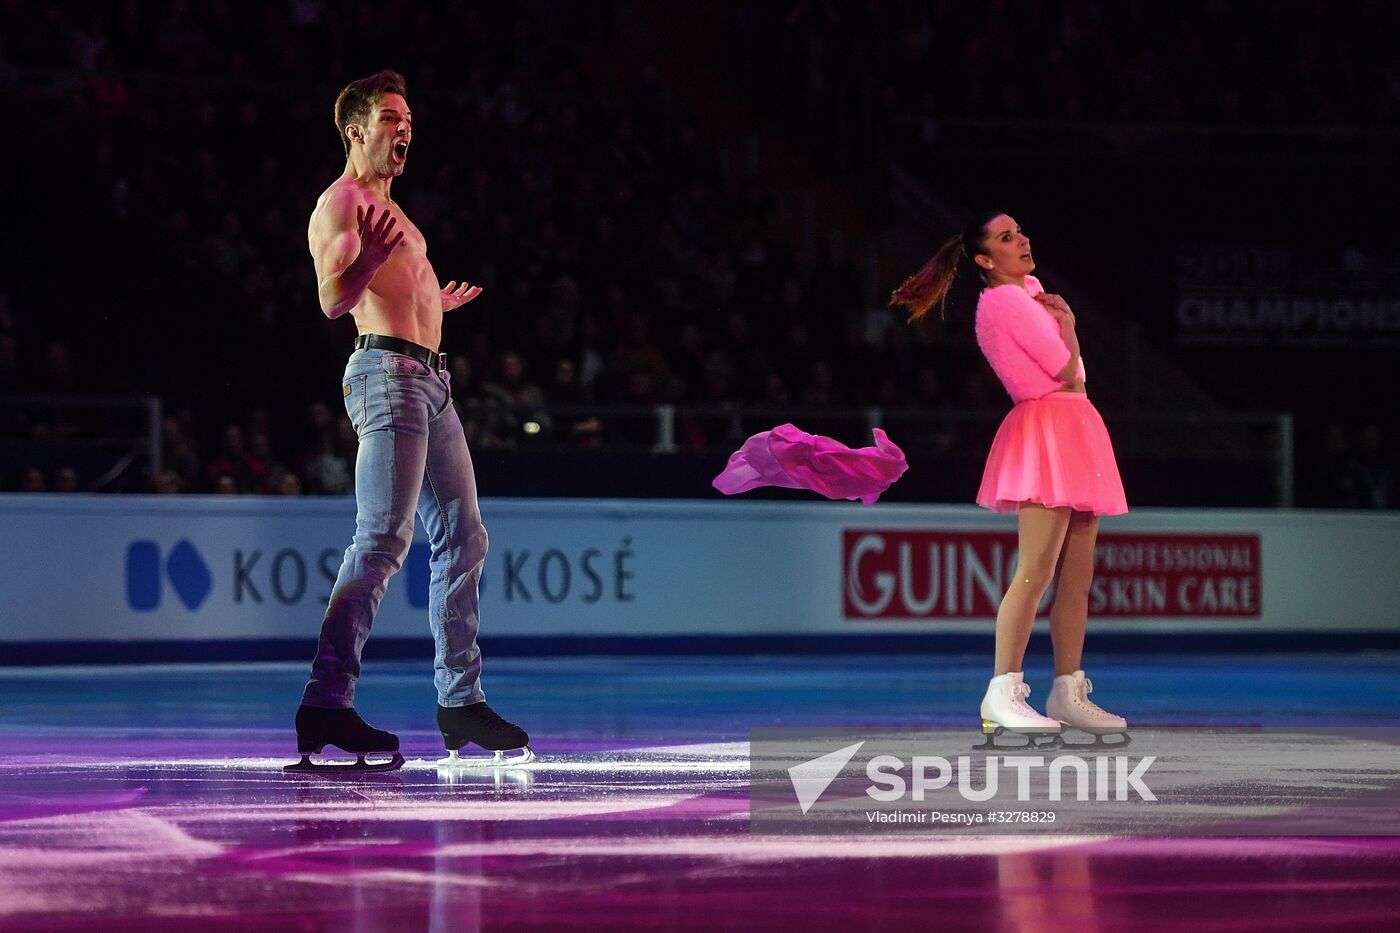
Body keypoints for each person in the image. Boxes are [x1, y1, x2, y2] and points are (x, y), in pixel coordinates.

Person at [288, 70, 532, 773]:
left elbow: (393, 291)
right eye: (392, 118)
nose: (405, 131)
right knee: (383, 539)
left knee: (465, 534)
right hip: (387, 379)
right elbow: (335, 299)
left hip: (430, 379)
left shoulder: (399, 212)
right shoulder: (342, 204)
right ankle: (326, 699)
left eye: (411, 122)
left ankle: (460, 700)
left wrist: (430, 304)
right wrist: (366, 258)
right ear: (357, 130)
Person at [891, 212, 1129, 748]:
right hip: (1047, 426)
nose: (1021, 239)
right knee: (1037, 570)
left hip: (1076, 424)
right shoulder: (1002, 302)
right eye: (1005, 238)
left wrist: (1067, 338)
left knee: (1078, 575)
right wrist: (1068, 328)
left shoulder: (1031, 293)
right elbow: (1066, 368)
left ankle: (1067, 691)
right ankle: (1002, 692)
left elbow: (1076, 374)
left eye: (1019, 231)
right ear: (983, 260)